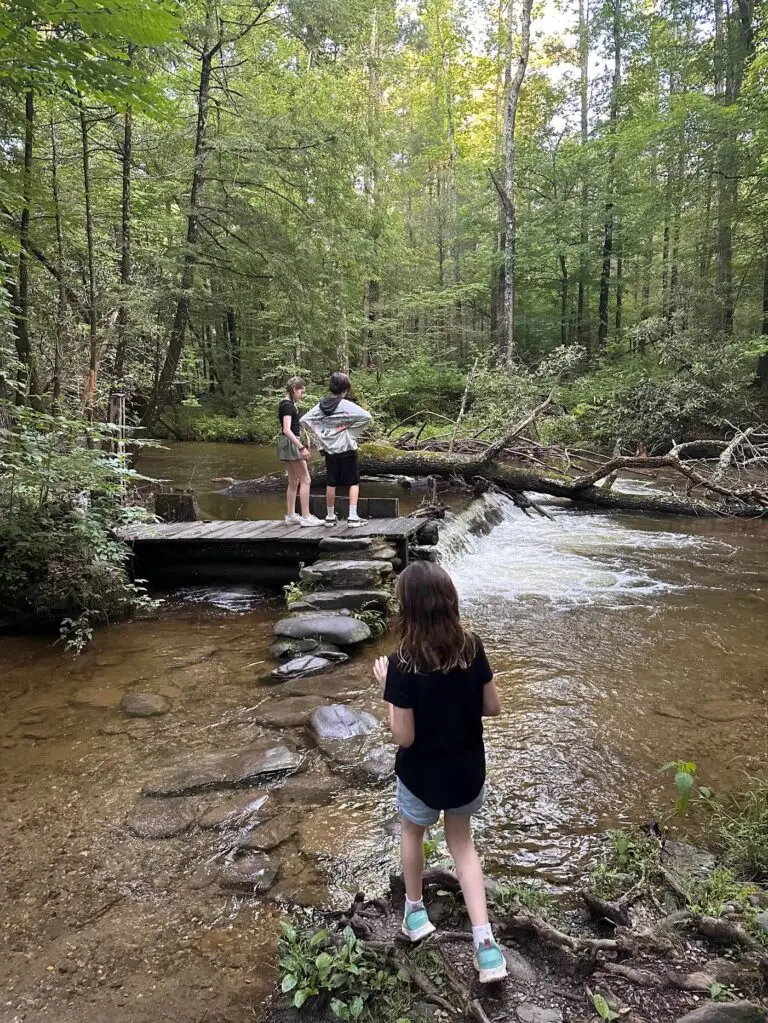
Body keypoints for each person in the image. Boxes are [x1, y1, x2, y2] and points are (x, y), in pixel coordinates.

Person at [374, 561, 507, 984]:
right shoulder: (472, 647)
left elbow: (404, 737)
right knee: (462, 845)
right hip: (467, 772)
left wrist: (386, 692)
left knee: (412, 832)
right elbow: (493, 707)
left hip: (421, 776)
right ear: (450, 602)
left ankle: (415, 915)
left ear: (406, 609)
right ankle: (486, 947)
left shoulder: (403, 663)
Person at [300, 371, 372, 527]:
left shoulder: (321, 406)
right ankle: (353, 517)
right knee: (353, 482)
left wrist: (323, 432)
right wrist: (348, 429)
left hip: (330, 450)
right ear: (345, 389)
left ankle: (330, 517)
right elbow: (367, 417)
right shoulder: (346, 405)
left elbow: (304, 420)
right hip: (347, 448)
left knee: (331, 483)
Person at [277, 377, 321, 527]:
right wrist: (301, 447)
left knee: (293, 480)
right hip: (291, 442)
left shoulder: (285, 404)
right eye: (302, 390)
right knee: (306, 479)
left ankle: (290, 515)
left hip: (285, 443)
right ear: (295, 388)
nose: (302, 393)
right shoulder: (288, 406)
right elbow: (286, 429)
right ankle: (306, 516)